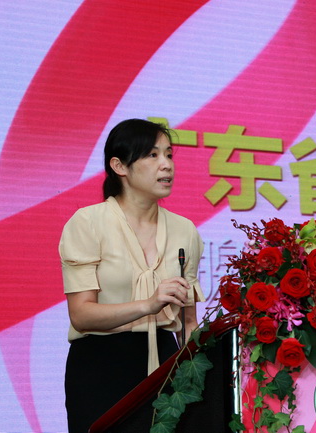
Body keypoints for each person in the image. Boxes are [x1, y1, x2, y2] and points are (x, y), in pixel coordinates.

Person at [59, 118, 205, 432]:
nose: (166, 165)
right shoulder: (88, 222)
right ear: (119, 166)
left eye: (169, 154)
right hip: (100, 367)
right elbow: (81, 315)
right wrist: (148, 305)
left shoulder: (185, 230)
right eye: (153, 155)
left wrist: (199, 369)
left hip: (166, 365)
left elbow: (189, 322)